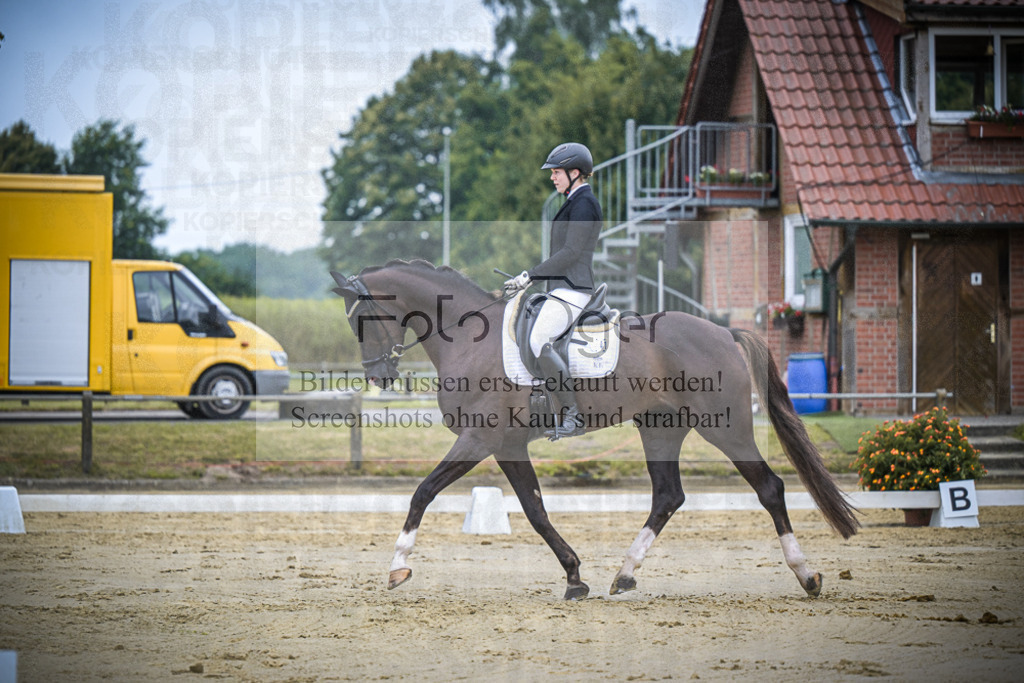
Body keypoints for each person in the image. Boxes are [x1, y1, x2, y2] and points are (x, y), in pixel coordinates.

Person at [504, 142, 603, 439]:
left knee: (539, 337)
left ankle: (572, 415)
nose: (552, 177)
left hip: (574, 288)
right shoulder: (573, 201)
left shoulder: (584, 203)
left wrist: (529, 276)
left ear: (575, 173)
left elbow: (571, 252)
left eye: (557, 172)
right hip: (562, 288)